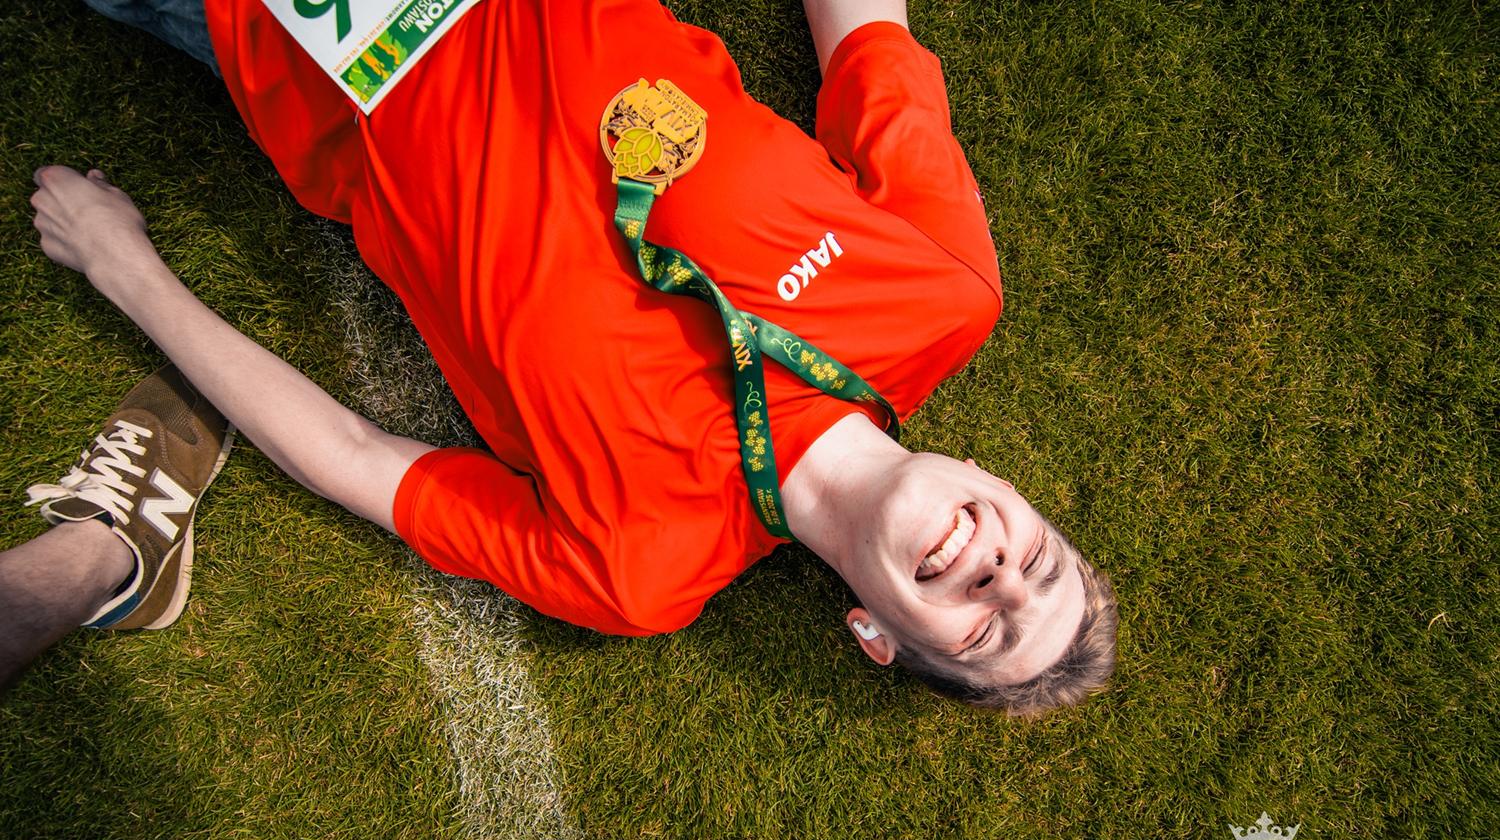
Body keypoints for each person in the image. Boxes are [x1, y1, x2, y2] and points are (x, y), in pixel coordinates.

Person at [5, 0, 1118, 713]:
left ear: (875, 636)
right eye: (1040, 562)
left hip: (293, 45)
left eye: (987, 631)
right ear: (1003, 487)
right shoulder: (943, 292)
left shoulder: (637, 571)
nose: (1000, 576)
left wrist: (125, 268)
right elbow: (868, 46)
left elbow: (356, 456)